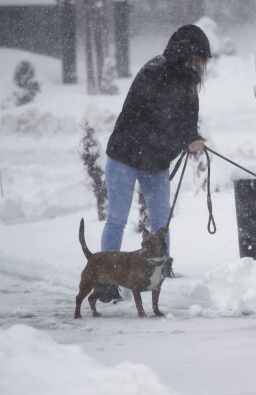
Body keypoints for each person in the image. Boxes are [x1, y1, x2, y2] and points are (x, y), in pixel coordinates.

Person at [97, 24, 212, 303]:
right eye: (194, 55)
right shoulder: (153, 72)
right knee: (117, 219)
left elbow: (187, 123)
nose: (197, 62)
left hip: (156, 161)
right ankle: (106, 281)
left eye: (200, 58)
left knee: (162, 222)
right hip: (125, 156)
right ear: (181, 52)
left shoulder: (188, 83)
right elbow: (146, 119)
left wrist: (193, 139)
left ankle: (162, 271)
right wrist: (176, 139)